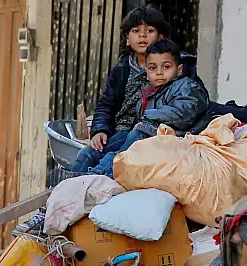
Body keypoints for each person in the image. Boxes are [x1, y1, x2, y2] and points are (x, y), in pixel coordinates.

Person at [70, 6, 172, 172]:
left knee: (112, 161)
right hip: (121, 131)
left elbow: (192, 100)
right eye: (135, 30)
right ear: (127, 39)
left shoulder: (173, 67)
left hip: (149, 134)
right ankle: (68, 191)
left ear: (161, 37)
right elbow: (106, 105)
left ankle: (91, 184)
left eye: (150, 30)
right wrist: (100, 130)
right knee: (87, 154)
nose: (142, 35)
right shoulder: (122, 68)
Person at [88, 38, 210, 177]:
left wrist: (148, 118)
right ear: (146, 71)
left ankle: (99, 176)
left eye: (166, 67)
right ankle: (78, 176)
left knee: (129, 145)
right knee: (95, 151)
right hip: (150, 137)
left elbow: (183, 112)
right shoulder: (149, 93)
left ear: (179, 70)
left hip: (174, 140)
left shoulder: (187, 86)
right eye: (153, 68)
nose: (159, 72)